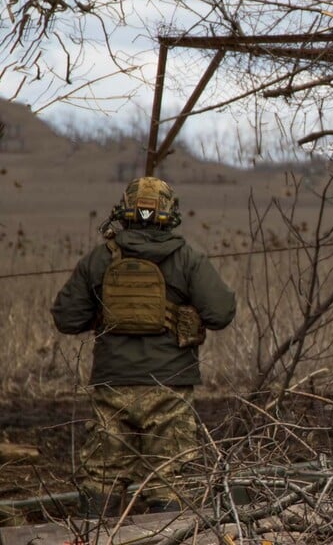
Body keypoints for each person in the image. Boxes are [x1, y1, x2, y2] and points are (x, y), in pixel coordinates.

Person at [51, 176, 236, 517]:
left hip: (112, 384)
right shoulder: (187, 258)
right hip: (169, 385)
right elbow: (221, 312)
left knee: (101, 475)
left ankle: (94, 539)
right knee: (168, 477)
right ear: (170, 212)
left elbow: (66, 317)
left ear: (124, 211)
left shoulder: (99, 259)